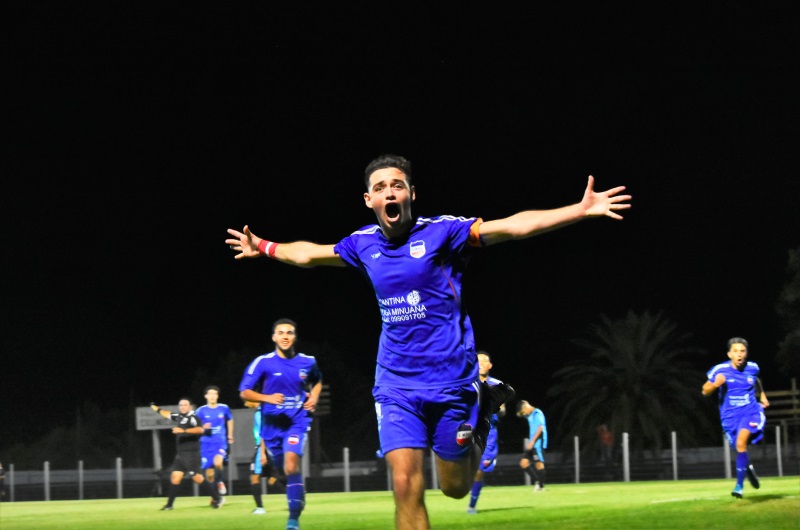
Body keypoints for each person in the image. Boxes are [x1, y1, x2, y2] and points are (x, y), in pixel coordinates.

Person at [226, 153, 631, 529]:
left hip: (452, 381)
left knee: (453, 487)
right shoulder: (362, 244)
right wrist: (262, 246)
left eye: (397, 185)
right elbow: (309, 254)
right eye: (381, 187)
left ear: (411, 194)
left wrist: (578, 210)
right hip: (396, 384)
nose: (390, 192)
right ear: (369, 199)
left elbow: (511, 226)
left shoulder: (442, 233)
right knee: (405, 485)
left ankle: (480, 413)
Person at [239, 318, 322, 530]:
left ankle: (293, 520)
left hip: (297, 421)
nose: (285, 336)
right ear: (274, 337)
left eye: (290, 332)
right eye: (281, 332)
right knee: (282, 470)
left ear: (295, 337)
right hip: (272, 427)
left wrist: (314, 396)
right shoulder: (263, 362)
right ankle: (297, 495)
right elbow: (244, 392)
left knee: (291, 464)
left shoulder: (308, 361)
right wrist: (267, 398)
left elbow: (318, 380)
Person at [702, 337, 770, 499]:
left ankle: (739, 486)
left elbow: (756, 381)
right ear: (729, 354)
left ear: (746, 353)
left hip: (751, 412)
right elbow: (704, 390)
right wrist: (715, 384)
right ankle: (747, 469)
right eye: (735, 351)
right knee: (739, 448)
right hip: (729, 417)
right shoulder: (720, 370)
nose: (739, 354)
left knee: (741, 443)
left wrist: (762, 396)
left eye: (742, 351)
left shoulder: (753, 368)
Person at [150, 399, 223, 510]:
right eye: (181, 405)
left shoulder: (193, 417)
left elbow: (200, 429)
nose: (183, 407)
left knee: (197, 478)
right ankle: (169, 505)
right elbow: (168, 414)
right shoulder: (180, 417)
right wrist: (156, 408)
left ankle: (217, 498)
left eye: (185, 405)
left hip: (191, 454)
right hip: (181, 455)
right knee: (175, 478)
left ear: (190, 407)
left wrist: (183, 431)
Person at [466, 351, 507, 514]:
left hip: (487, 434)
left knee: (479, 471)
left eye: (485, 361)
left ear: (490, 366)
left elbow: (503, 411)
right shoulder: (467, 384)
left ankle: (471, 505)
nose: (481, 363)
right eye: (478, 361)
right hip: (467, 431)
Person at [244, 399, 287, 515]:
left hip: (262, 449)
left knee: (254, 477)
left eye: (246, 400)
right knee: (272, 479)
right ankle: (295, 495)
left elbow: (263, 433)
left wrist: (262, 453)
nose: (245, 403)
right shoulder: (264, 411)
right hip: (267, 449)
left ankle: (260, 508)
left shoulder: (260, 413)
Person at [196, 385, 234, 496]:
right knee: (209, 474)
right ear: (206, 396)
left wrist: (230, 435)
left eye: (215, 394)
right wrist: (203, 427)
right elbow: (196, 425)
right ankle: (215, 497)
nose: (212, 396)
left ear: (217, 396)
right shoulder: (200, 411)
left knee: (218, 463)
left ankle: (220, 481)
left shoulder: (224, 408)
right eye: (210, 394)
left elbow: (230, 420)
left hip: (220, 441)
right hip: (206, 443)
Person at [517, 400, 547, 491]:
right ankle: (538, 482)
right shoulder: (530, 415)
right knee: (523, 463)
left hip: (538, 443)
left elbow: (541, 428)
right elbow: (523, 412)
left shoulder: (537, 413)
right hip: (533, 444)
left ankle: (541, 487)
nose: (524, 414)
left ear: (526, 407)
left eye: (523, 411)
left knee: (539, 463)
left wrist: (532, 441)